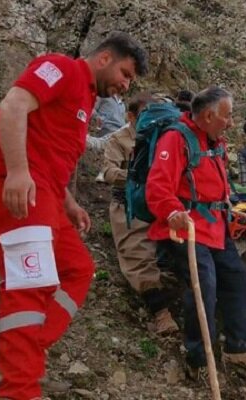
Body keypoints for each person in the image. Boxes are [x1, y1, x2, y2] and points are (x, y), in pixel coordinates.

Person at [0, 31, 148, 400]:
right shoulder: (61, 68)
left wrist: (69, 204)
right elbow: (14, 105)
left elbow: (48, 154)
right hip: (9, 186)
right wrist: (16, 171)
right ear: (105, 58)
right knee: (29, 287)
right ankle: (19, 389)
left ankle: (26, 352)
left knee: (78, 268)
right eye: (125, 74)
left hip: (44, 195)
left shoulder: (85, 99)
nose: (125, 85)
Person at [145, 86, 246, 379]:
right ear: (208, 115)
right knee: (204, 286)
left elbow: (218, 182)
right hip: (187, 227)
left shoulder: (216, 142)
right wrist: (172, 211)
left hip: (215, 225)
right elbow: (158, 185)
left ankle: (240, 349)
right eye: (227, 116)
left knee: (238, 280)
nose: (230, 122)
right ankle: (199, 360)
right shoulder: (176, 138)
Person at [101, 92, 178, 334]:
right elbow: (109, 172)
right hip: (129, 206)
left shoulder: (165, 137)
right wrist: (138, 179)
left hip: (161, 205)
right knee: (137, 256)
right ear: (131, 116)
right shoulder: (118, 140)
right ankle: (160, 314)